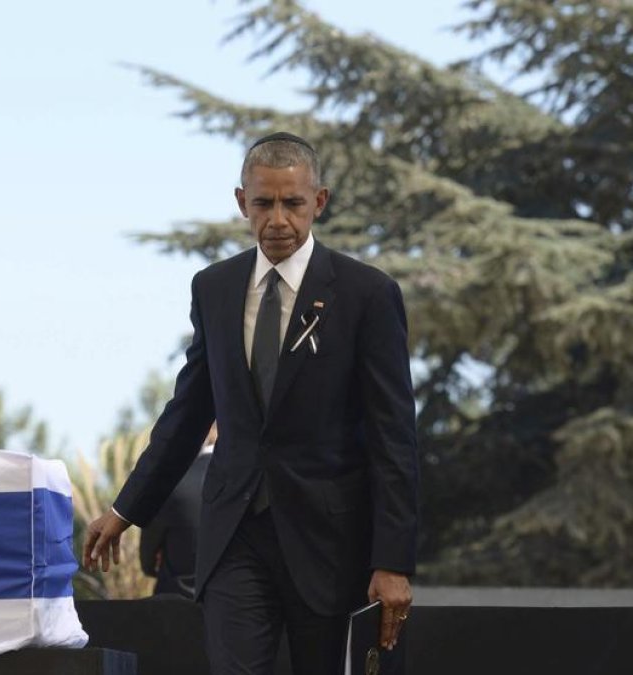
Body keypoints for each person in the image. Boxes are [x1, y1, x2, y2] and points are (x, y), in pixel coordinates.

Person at [83, 132, 419, 675]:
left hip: (330, 548)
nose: (278, 219)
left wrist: (392, 561)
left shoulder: (367, 295)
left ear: (320, 202)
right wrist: (126, 511)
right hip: (234, 540)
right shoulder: (213, 288)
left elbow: (394, 437)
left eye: (293, 203)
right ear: (242, 203)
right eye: (264, 203)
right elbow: (188, 414)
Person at [139, 424, 216, 598]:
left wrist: (150, 567)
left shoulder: (172, 482)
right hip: (232, 604)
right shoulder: (246, 481)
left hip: (175, 601)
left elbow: (148, 553)